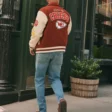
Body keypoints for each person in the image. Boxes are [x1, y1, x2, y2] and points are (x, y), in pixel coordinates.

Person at [29, 0, 72, 112]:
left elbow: (37, 31)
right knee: (55, 78)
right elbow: (67, 31)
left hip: (44, 49)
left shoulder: (44, 11)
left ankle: (42, 109)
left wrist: (32, 45)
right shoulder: (67, 14)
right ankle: (61, 99)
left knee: (39, 79)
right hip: (59, 50)